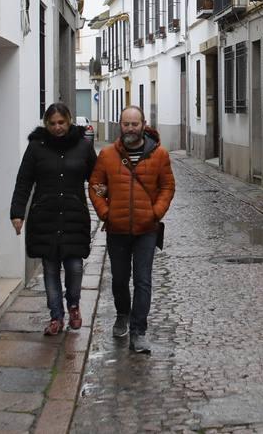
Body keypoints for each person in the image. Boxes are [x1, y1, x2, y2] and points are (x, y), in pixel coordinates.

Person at [88, 105, 175, 354]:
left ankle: (138, 331)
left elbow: (168, 187)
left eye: (135, 124)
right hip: (117, 230)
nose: (130, 128)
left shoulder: (159, 156)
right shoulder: (106, 155)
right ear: (120, 124)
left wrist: (155, 213)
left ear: (143, 125)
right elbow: (95, 185)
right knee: (119, 279)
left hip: (146, 230)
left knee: (143, 280)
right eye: (126, 124)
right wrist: (106, 213)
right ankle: (122, 314)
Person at [9, 102, 97, 335]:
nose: (57, 127)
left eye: (61, 122)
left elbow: (97, 179)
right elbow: (24, 181)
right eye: (52, 123)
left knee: (75, 267)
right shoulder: (36, 147)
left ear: (69, 121)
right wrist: (17, 213)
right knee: (49, 269)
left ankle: (74, 305)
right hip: (44, 217)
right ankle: (56, 316)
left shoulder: (83, 146)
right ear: (46, 124)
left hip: (74, 216)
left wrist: (106, 205)